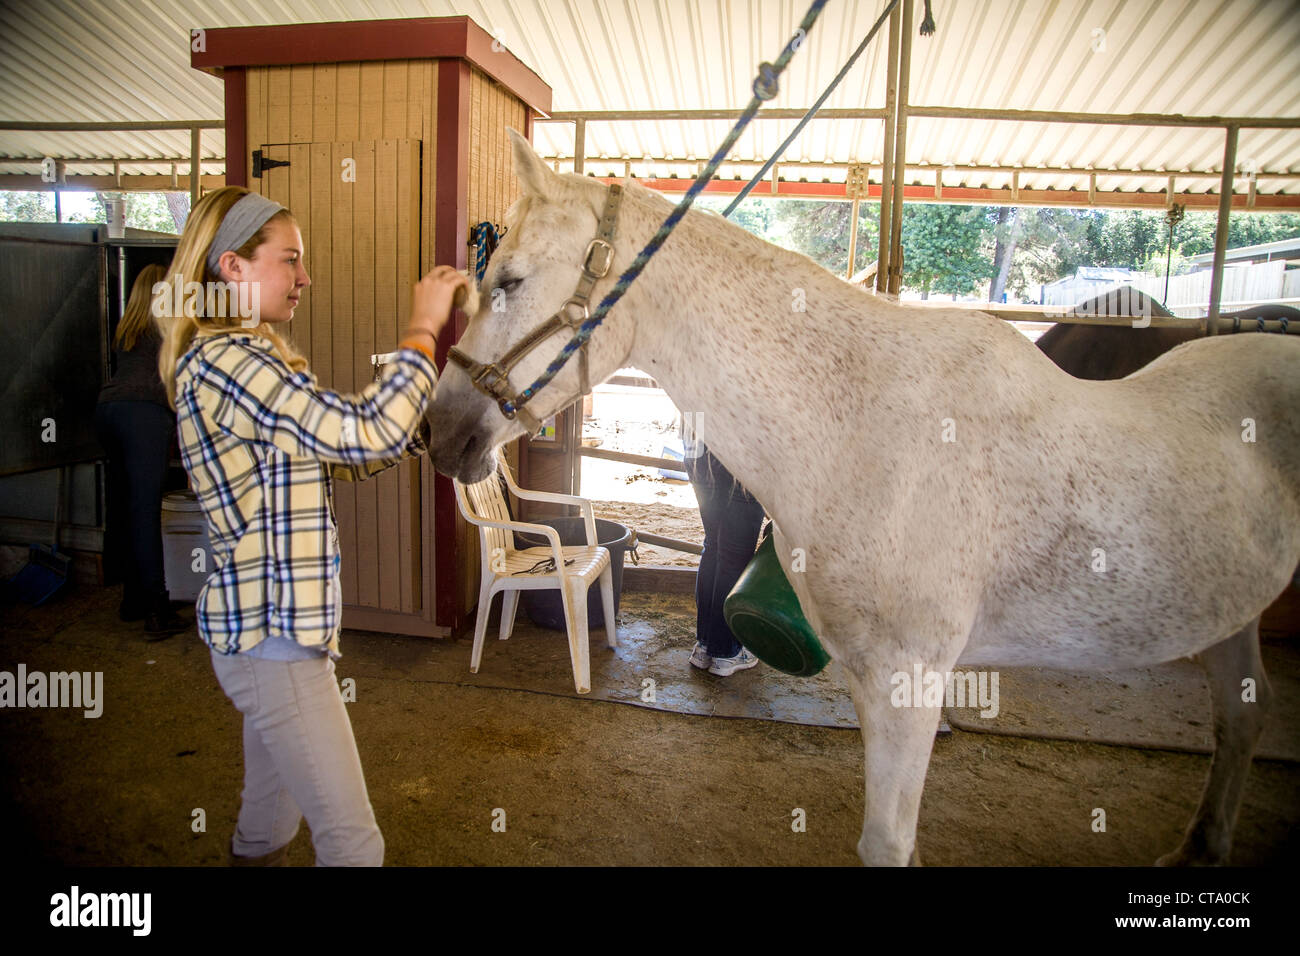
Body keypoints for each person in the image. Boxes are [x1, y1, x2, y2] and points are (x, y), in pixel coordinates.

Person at [154, 185, 466, 866]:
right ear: (232, 267)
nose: (305, 277)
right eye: (289, 259)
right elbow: (361, 431)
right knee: (354, 846)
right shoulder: (230, 362)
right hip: (273, 641)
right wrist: (422, 329)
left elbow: (338, 454)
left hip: (269, 638)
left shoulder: (247, 358)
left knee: (267, 824)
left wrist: (427, 432)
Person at [94, 263, 190, 638]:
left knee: (125, 508)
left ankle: (133, 600)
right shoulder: (171, 325)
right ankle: (156, 611)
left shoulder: (129, 327)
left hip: (107, 412)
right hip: (143, 416)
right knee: (146, 511)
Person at [684, 443, 765, 676]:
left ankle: (705, 646)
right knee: (734, 555)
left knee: (712, 546)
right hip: (742, 457)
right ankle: (726, 652)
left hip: (697, 452)